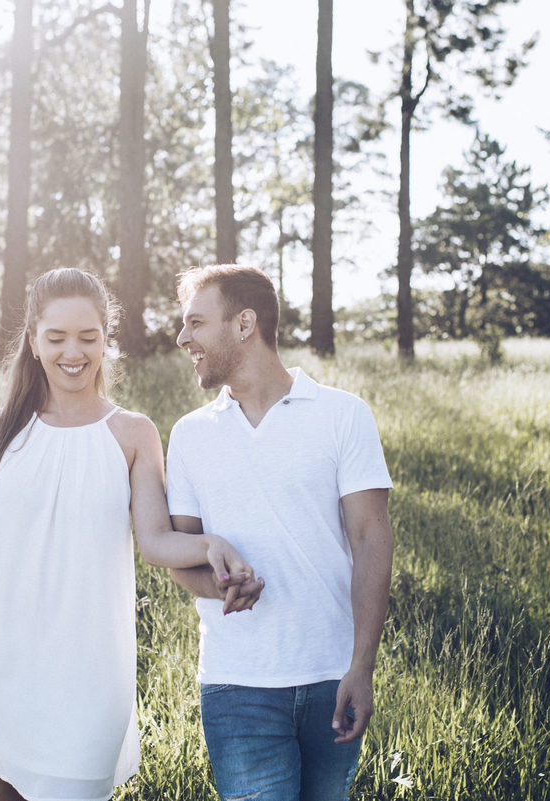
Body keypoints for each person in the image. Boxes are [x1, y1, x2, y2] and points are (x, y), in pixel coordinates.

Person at [0, 267, 256, 801]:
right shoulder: (1, 429)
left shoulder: (133, 433)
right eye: (55, 337)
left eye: (88, 336)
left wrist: (209, 545)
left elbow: (154, 540)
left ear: (107, 339)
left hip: (87, 671)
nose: (71, 352)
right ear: (33, 341)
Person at [165, 264, 394, 801]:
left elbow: (372, 540)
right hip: (237, 684)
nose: (182, 339)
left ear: (244, 324)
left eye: (196, 323)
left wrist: (362, 667)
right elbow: (182, 559)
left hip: (331, 677)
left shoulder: (343, 416)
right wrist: (219, 585)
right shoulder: (190, 436)